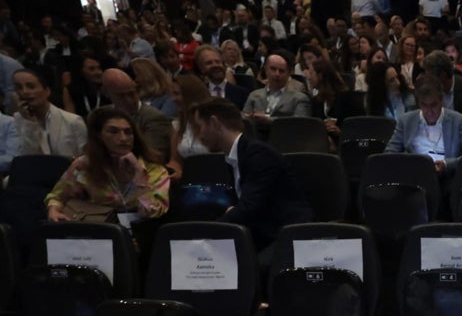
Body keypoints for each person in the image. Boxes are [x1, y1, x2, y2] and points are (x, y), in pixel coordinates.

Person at [191, 99, 312, 252]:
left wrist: (204, 234)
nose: (199, 135)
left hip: (283, 235)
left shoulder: (259, 155)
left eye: (199, 126)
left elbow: (249, 207)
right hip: (260, 232)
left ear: (214, 123)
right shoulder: (236, 156)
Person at [44, 108, 169, 223]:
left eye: (128, 132)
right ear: (99, 135)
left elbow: (152, 212)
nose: (123, 138)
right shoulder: (84, 165)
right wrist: (53, 210)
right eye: (113, 131)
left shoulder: (154, 170)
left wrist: (140, 177)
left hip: (140, 236)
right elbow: (57, 197)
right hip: (97, 232)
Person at [383, 76, 462, 174]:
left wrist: (447, 164)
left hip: (449, 176)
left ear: (442, 101)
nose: (429, 112)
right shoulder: (406, 121)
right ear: (418, 103)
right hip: (415, 176)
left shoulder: (459, 121)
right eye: (424, 105)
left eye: (433, 105)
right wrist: (409, 164)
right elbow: (389, 153)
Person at [12, 67, 88, 159]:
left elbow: (85, 158)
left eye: (31, 86)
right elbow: (27, 158)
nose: (25, 92)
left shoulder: (73, 121)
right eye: (19, 87)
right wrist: (30, 123)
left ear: (47, 91)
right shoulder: (16, 120)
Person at [243, 53, 312, 121]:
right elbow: (243, 120)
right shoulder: (254, 95)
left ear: (288, 74)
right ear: (266, 70)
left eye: (281, 71)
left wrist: (270, 120)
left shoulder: (299, 98)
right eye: (273, 69)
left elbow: (300, 124)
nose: (277, 74)